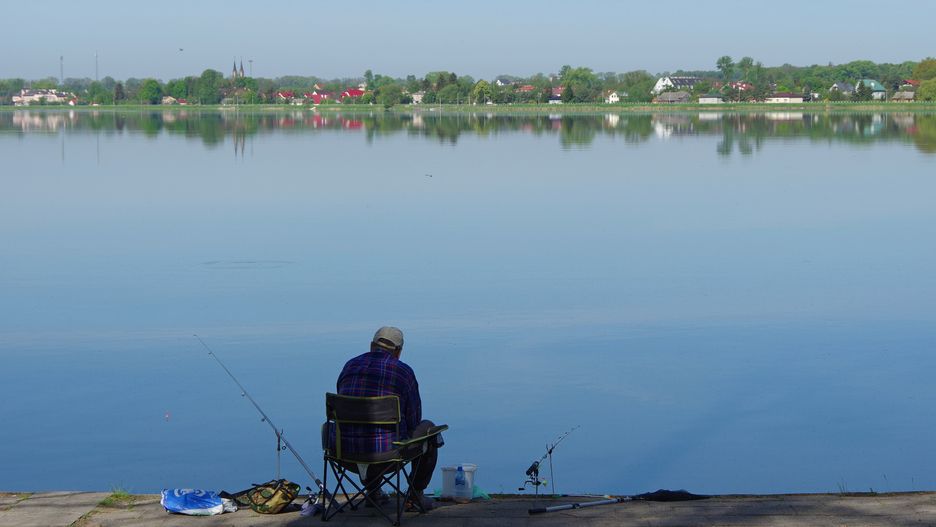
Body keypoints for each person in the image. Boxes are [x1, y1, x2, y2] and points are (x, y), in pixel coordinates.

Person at [333, 326, 441, 510]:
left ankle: (373, 493)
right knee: (429, 430)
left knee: (361, 430)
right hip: (389, 457)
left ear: (371, 346)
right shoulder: (403, 372)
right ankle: (415, 495)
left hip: (344, 454)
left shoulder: (349, 366)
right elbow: (415, 419)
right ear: (398, 352)